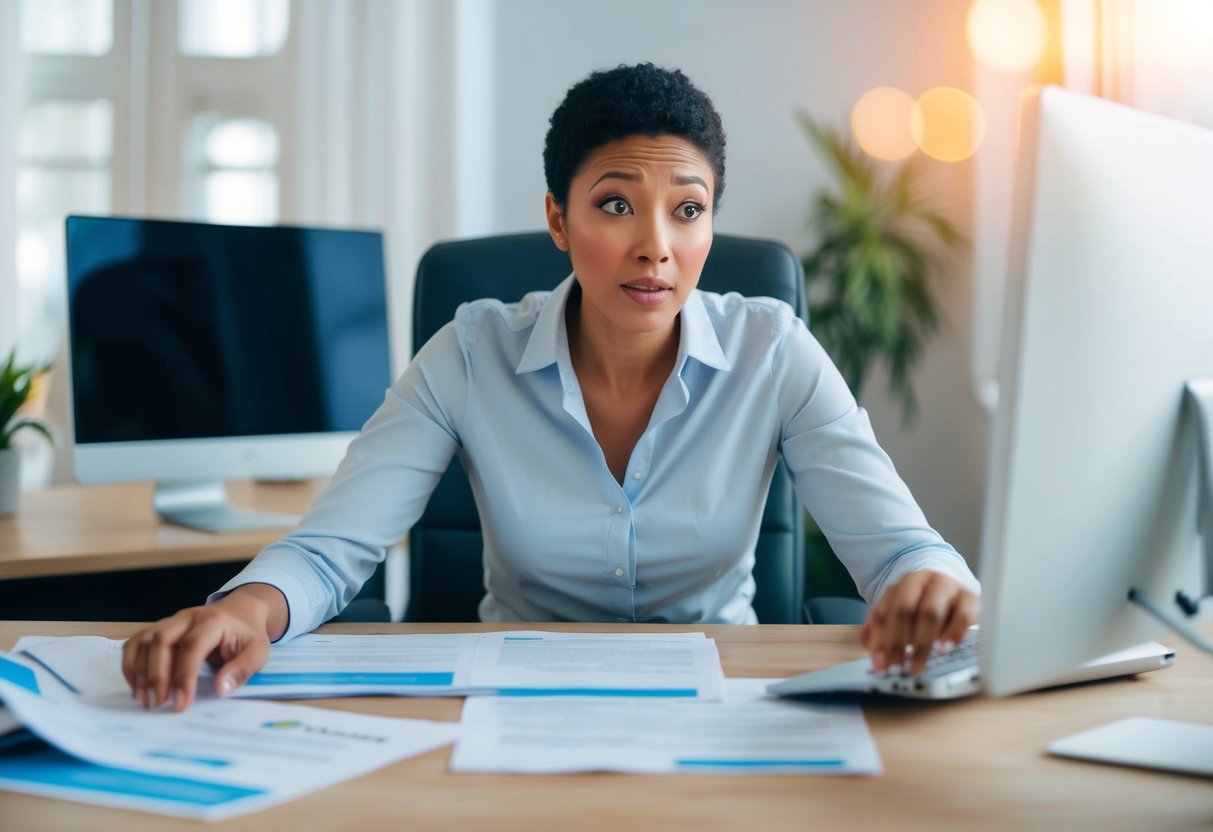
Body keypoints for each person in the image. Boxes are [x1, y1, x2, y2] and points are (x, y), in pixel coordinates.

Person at [122, 63, 980, 712]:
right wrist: (248, 607)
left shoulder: (772, 350)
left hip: (723, 706)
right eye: (615, 205)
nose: (655, 246)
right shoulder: (469, 351)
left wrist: (928, 587)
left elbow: (904, 551)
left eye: (687, 209)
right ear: (558, 221)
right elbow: (332, 549)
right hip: (511, 702)